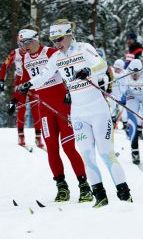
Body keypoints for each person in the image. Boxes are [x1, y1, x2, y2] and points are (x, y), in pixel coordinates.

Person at [19, 19, 133, 207]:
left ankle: (124, 195)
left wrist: (88, 69)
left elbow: (102, 65)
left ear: (70, 34)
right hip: (78, 112)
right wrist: (28, 84)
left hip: (97, 109)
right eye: (53, 40)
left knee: (106, 153)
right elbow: (43, 76)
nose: (57, 43)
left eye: (60, 38)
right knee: (87, 156)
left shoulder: (83, 48)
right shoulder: (56, 57)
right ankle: (100, 197)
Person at [17, 25, 92, 203]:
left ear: (36, 40)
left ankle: (84, 187)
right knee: (51, 148)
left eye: (26, 43)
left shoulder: (51, 52)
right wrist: (17, 96)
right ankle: (62, 187)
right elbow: (26, 81)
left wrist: (69, 92)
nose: (24, 47)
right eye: (21, 44)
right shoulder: (26, 58)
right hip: (45, 109)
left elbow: (69, 73)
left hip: (61, 105)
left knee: (68, 147)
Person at [0, 40, 43, 148]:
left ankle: (38, 136)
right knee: (20, 106)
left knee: (35, 108)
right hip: (20, 80)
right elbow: (5, 65)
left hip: (32, 81)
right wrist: (1, 80)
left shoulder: (32, 52)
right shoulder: (14, 53)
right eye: (20, 45)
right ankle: (21, 135)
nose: (23, 48)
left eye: (25, 45)